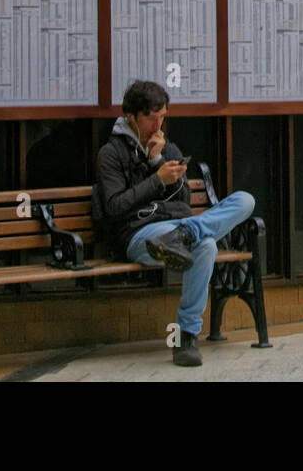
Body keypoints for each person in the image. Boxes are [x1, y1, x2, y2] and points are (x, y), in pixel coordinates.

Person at [96, 79, 255, 366]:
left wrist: (160, 163)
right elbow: (114, 207)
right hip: (141, 234)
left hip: (176, 229)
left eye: (163, 116)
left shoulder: (168, 149)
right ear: (131, 116)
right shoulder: (111, 153)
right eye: (151, 117)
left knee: (245, 201)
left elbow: (183, 200)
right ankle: (186, 336)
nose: (158, 125)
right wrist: (156, 179)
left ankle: (183, 238)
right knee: (206, 244)